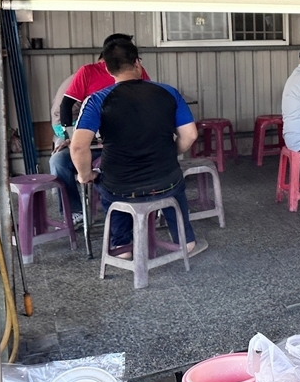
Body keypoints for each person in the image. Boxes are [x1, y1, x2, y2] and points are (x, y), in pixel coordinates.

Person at [71, 40, 205, 259]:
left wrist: (86, 175)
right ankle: (185, 241)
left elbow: (78, 147)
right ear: (137, 63)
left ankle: (122, 247)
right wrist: (170, 155)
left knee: (107, 185)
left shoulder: (96, 100)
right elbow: (190, 135)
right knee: (175, 181)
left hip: (120, 187)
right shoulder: (168, 92)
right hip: (165, 182)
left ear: (107, 67)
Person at [50, 33, 150, 222]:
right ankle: (75, 211)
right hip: (90, 141)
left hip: (124, 142)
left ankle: (130, 210)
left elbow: (148, 102)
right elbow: (64, 108)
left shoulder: (137, 72)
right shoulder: (87, 74)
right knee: (59, 162)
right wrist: (67, 137)